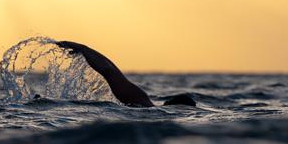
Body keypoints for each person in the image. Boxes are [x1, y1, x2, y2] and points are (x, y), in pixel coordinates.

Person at [55, 41, 195, 107]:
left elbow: (109, 71)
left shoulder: (142, 101)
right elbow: (110, 71)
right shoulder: (143, 104)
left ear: (167, 103)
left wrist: (84, 49)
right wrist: (85, 49)